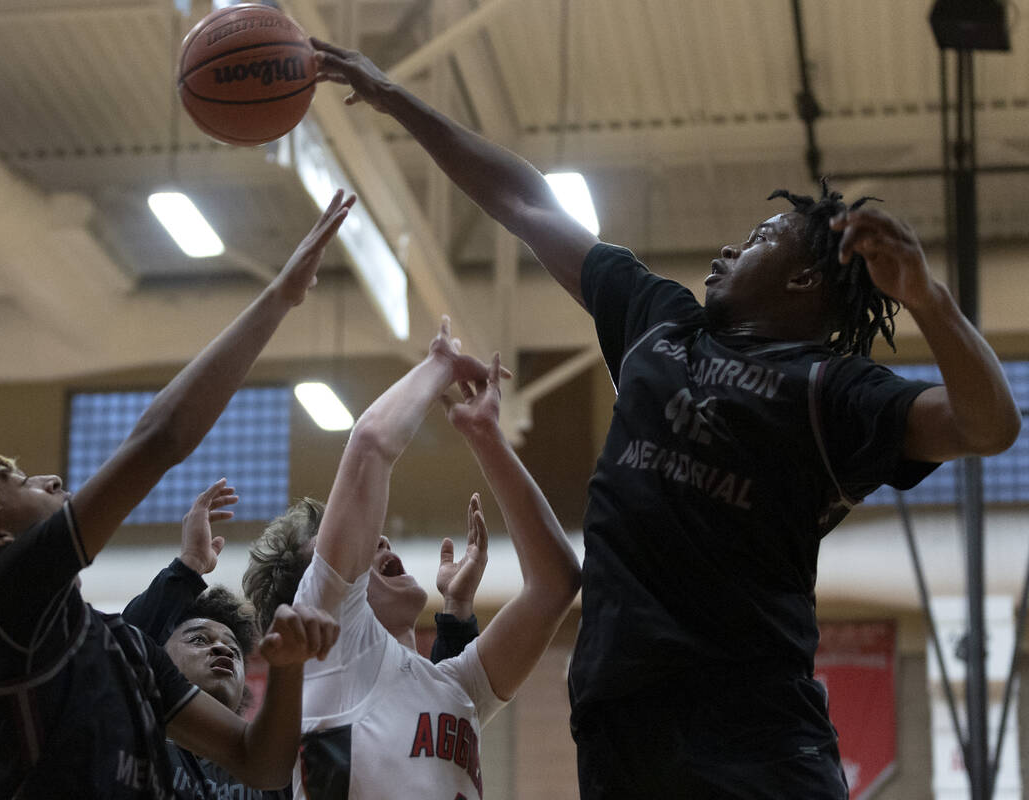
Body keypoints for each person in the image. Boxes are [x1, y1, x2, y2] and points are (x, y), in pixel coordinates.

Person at [308, 40, 1023, 799]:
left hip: (755, 737)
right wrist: (392, 97)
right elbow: (522, 202)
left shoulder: (834, 391)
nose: (726, 249)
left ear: (806, 278)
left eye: (756, 242)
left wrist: (928, 299)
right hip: (620, 732)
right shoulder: (659, 321)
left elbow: (989, 427)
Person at [0, 192, 356, 800]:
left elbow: (259, 763)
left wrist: (284, 671)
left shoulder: (120, 646)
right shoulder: (1, 614)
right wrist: (279, 297)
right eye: (17, 483)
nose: (45, 479)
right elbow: (160, 438)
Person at [242, 319, 581, 799]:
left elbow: (555, 586)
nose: (377, 540)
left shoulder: (455, 686)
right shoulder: (332, 649)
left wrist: (487, 436)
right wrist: (439, 364)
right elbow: (371, 447)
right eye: (333, 541)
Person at [121, 477, 488, 799]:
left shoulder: (280, 754)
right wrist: (187, 567)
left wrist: (456, 614)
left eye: (234, 649)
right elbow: (120, 650)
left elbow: (436, 709)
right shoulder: (132, 740)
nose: (221, 648)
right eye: (198, 639)